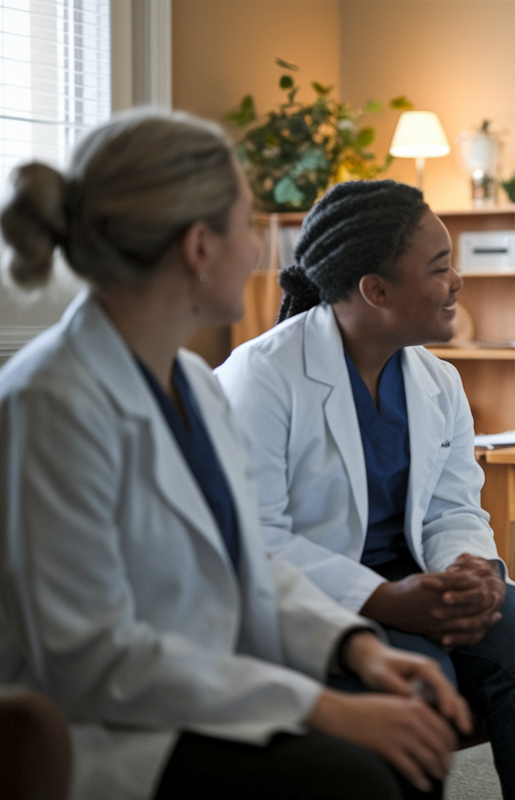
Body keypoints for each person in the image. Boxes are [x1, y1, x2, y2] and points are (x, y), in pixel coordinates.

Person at [0, 111, 469, 800]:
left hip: (201, 688)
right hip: (102, 728)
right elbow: (92, 661)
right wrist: (322, 705)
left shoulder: (190, 380)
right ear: (198, 246)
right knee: (363, 777)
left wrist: (355, 647)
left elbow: (249, 564)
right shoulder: (51, 405)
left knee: (406, 742)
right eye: (247, 225)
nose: (260, 251)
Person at [215, 179, 515, 800]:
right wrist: (388, 600)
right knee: (421, 679)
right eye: (440, 267)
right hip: (320, 598)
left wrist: (470, 569)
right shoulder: (259, 378)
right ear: (376, 290)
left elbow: (453, 507)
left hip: (422, 575)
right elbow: (252, 540)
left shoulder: (436, 380)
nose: (458, 283)